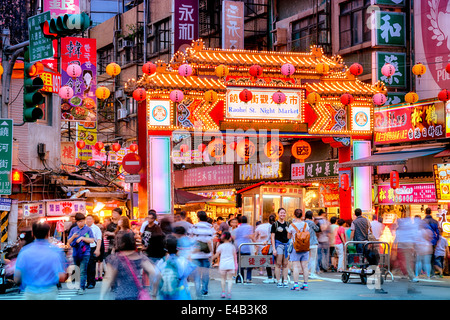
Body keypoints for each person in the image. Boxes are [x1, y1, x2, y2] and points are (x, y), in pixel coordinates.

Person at [14, 222, 67, 300]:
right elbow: (61, 277)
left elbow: (17, 277)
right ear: (48, 234)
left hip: (31, 293)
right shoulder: (55, 252)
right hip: (49, 293)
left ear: (33, 234)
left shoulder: (25, 252)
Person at [100, 232, 156, 300]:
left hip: (122, 295)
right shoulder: (140, 257)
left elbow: (108, 278)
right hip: (137, 296)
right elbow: (155, 273)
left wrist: (102, 296)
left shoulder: (115, 259)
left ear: (122, 243)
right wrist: (154, 292)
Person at [155, 235, 197, 300]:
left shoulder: (161, 262)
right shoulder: (182, 261)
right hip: (181, 293)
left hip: (165, 294)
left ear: (166, 249)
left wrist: (154, 294)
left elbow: (156, 277)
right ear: (178, 248)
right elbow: (190, 272)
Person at [68, 212, 95, 294]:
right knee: (77, 270)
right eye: (79, 221)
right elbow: (69, 242)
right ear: (76, 222)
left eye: (82, 221)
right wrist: (73, 237)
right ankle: (79, 285)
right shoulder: (73, 230)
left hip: (85, 253)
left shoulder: (88, 229)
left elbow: (92, 240)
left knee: (83, 271)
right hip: (76, 253)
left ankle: (81, 287)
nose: (81, 223)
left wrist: (82, 238)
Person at [190, 210, 215, 298]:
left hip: (195, 254)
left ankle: (197, 290)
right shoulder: (210, 227)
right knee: (205, 273)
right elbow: (209, 241)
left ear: (198, 217)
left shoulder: (194, 227)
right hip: (206, 254)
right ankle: (204, 290)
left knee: (196, 274)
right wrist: (211, 253)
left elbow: (191, 239)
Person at [287, 209, 310, 291]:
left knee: (296, 266)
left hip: (295, 248)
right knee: (305, 266)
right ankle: (305, 284)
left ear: (294, 215)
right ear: (302, 215)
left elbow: (288, 237)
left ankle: (296, 284)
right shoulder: (305, 225)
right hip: (305, 247)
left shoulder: (292, 225)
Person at [212, 231, 237, 299]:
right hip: (231, 264)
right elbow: (234, 256)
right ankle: (229, 293)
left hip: (223, 264)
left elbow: (216, 255)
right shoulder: (232, 246)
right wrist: (236, 265)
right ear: (229, 238)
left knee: (223, 279)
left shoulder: (220, 246)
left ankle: (223, 292)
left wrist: (211, 259)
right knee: (230, 279)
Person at [271, 208, 290, 288]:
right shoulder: (275, 224)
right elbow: (272, 237)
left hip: (287, 245)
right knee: (278, 264)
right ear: (278, 214)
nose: (283, 214)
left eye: (284, 213)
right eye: (281, 213)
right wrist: (274, 249)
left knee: (285, 264)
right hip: (278, 245)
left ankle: (285, 280)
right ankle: (278, 281)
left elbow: (290, 235)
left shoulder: (288, 224)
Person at [234, 215, 255, 283]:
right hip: (247, 247)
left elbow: (235, 237)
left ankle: (240, 278)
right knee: (249, 262)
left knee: (240, 263)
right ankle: (248, 278)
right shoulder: (249, 227)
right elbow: (250, 236)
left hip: (239, 247)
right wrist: (255, 242)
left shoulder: (238, 228)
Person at [86, 214, 102, 289]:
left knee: (91, 265)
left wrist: (97, 249)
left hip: (92, 248)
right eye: (87, 219)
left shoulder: (96, 228)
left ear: (93, 220)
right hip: (84, 249)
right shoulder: (84, 228)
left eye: (90, 219)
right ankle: (88, 282)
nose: (88, 220)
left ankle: (91, 282)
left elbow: (99, 239)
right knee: (86, 266)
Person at [305, 210, 320, 278]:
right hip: (313, 242)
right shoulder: (312, 223)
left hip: (305, 243)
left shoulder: (303, 223)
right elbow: (317, 229)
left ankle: (306, 271)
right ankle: (312, 273)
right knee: (313, 258)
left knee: (306, 259)